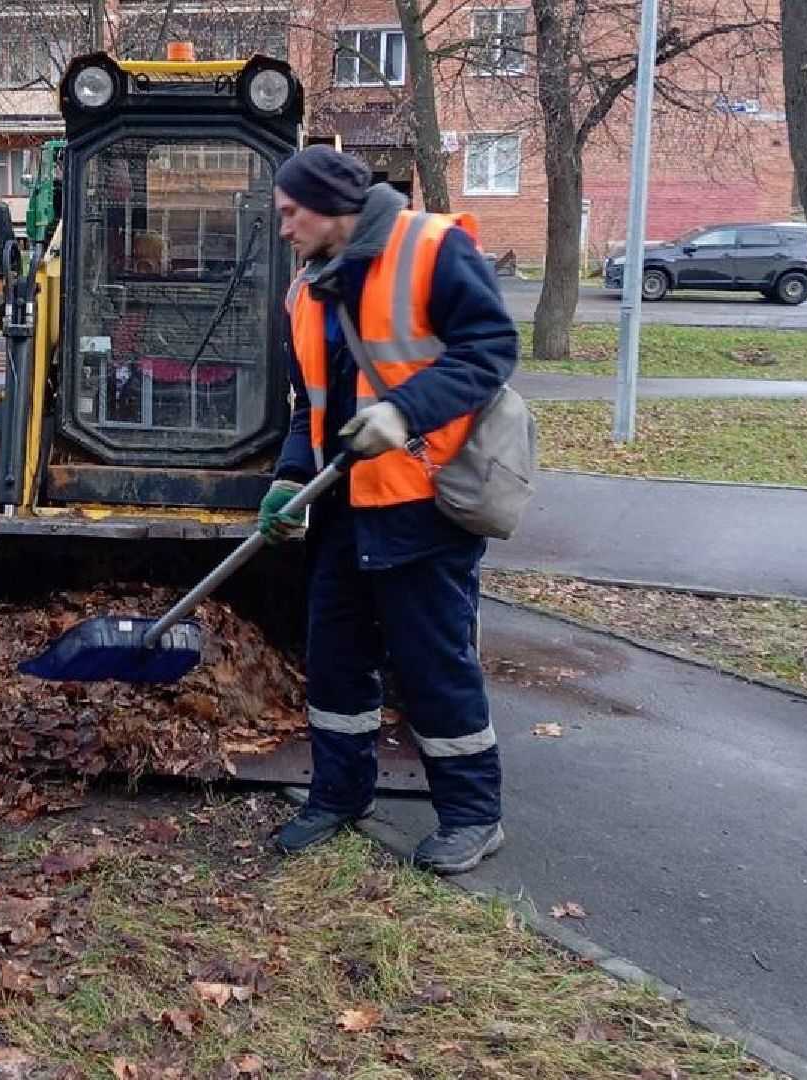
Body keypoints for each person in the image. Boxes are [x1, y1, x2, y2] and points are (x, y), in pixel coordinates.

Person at [259, 145, 516, 875]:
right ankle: (339, 795)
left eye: (291, 213)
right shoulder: (305, 290)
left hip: (421, 506)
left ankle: (472, 817)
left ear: (331, 205)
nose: (284, 229)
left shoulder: (432, 248)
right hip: (341, 511)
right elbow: (310, 407)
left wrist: (405, 412)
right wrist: (288, 478)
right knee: (335, 661)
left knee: (431, 665)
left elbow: (490, 350)